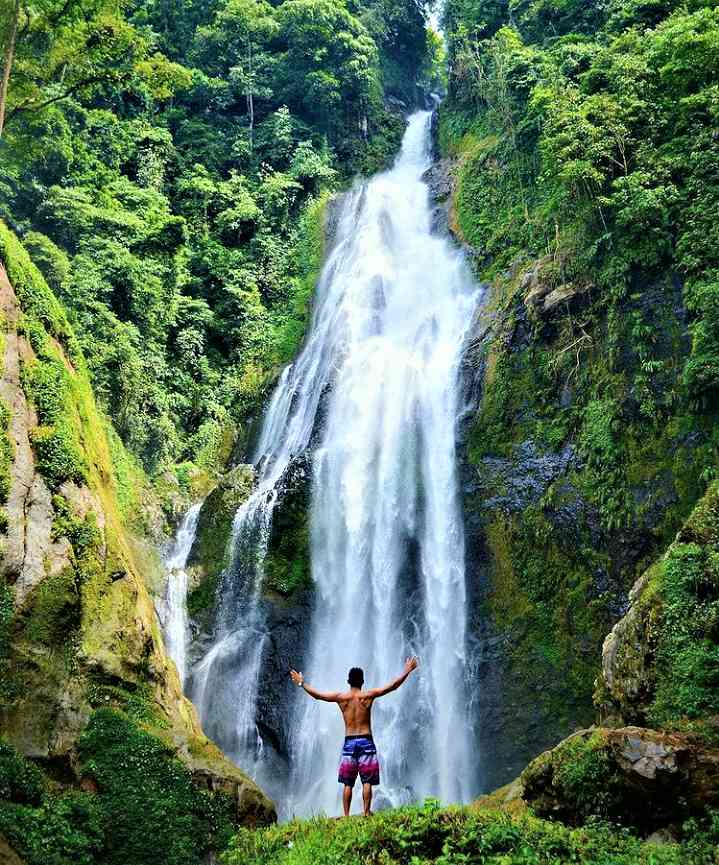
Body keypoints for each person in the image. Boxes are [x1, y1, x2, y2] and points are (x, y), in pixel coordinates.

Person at [289, 657, 419, 817]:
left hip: (349, 742)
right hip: (366, 741)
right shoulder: (368, 696)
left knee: (348, 782)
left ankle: (346, 815)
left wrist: (302, 683)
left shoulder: (341, 698)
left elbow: (317, 696)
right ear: (362, 681)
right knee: (367, 781)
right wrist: (407, 670)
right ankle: (366, 812)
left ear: (348, 681)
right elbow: (393, 686)